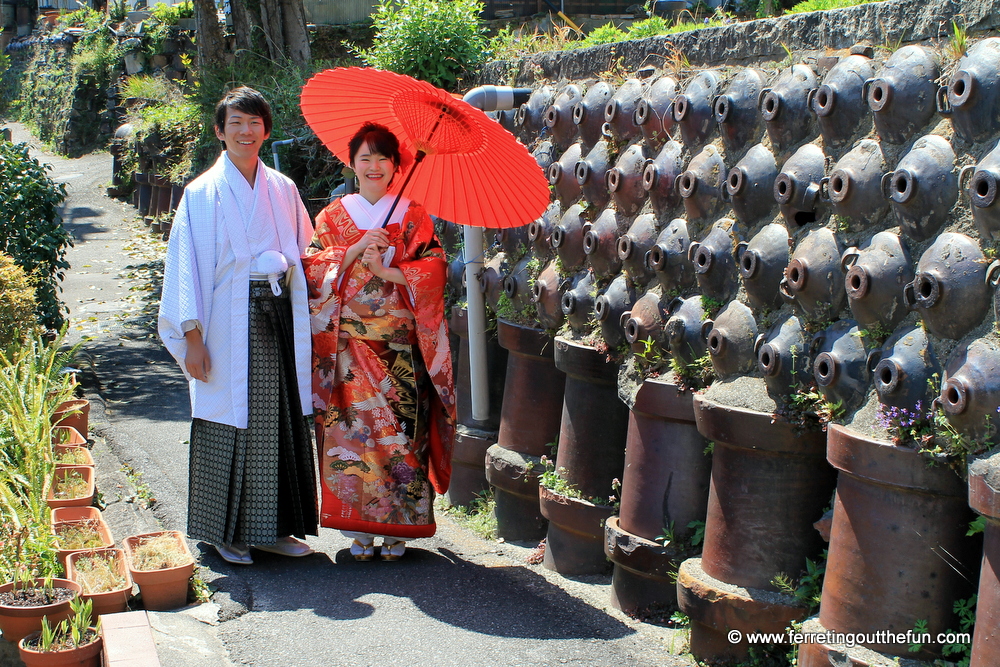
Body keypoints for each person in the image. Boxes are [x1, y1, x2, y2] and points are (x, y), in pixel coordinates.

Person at [158, 87, 318, 565]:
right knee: (226, 419)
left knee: (278, 420)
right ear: (220, 132)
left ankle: (276, 526)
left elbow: (307, 254)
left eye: (254, 123)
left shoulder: (284, 189)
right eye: (236, 124)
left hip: (277, 315)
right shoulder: (201, 193)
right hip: (224, 322)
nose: (246, 132)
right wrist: (192, 339)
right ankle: (225, 532)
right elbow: (185, 268)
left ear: (266, 130)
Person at [303, 122, 455, 561]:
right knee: (354, 436)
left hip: (398, 346)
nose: (373, 166)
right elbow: (313, 269)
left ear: (396, 166)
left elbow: (435, 269)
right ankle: (361, 530)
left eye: (382, 158)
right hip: (349, 346)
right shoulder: (333, 216)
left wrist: (390, 272)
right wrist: (352, 252)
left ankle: (399, 529)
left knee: (401, 435)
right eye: (364, 158)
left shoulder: (413, 214)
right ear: (351, 164)